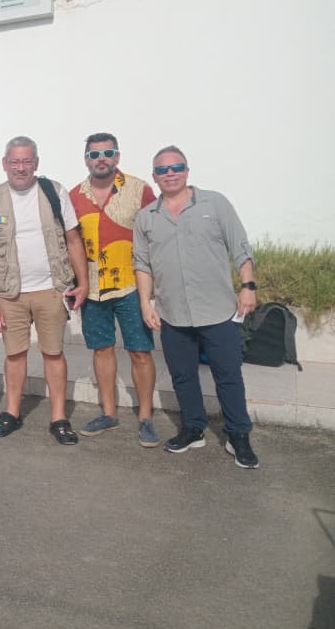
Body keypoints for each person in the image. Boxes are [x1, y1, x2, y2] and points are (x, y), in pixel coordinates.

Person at [134, 146, 260, 468]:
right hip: (172, 313)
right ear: (154, 176)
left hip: (217, 311)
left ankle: (238, 435)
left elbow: (240, 247)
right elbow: (142, 264)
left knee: (228, 375)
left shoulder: (214, 204)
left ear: (187, 171)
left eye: (176, 167)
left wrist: (248, 287)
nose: (170, 174)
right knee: (183, 375)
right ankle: (193, 428)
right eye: (162, 170)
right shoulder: (146, 217)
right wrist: (146, 302)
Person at [0, 136, 89, 445]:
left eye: (27, 161)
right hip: (10, 293)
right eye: (15, 161)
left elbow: (73, 239)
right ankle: (11, 412)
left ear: (36, 163)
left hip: (51, 290)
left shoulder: (54, 192)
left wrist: (83, 283)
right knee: (15, 354)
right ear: (4, 164)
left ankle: (59, 418)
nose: (21, 167)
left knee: (53, 353)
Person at [68, 133, 160, 446]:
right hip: (92, 289)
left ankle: (146, 417)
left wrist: (153, 288)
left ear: (117, 156)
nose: (101, 159)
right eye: (94, 154)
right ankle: (108, 413)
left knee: (140, 352)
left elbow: (154, 236)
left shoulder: (139, 190)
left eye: (107, 153)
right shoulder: (74, 196)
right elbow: (70, 243)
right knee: (102, 350)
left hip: (132, 286)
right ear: (86, 159)